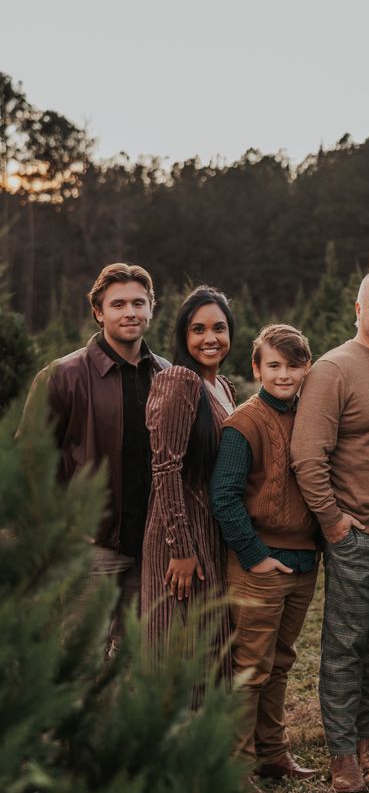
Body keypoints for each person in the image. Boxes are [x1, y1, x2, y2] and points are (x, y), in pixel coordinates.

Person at [291, 269, 369, 793]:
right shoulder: (334, 369)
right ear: (358, 309)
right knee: (345, 644)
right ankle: (342, 754)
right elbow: (307, 455)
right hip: (356, 537)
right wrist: (334, 523)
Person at [23, 262, 168, 656]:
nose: (130, 312)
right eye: (118, 304)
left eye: (139, 303)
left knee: (141, 665)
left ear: (152, 308)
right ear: (98, 311)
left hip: (151, 552)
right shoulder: (61, 377)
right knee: (80, 667)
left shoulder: (167, 376)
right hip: (89, 551)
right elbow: (31, 464)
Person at [210, 324, 319, 780]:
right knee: (251, 667)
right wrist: (254, 555)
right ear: (256, 368)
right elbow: (224, 496)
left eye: (294, 365)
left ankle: (273, 753)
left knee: (280, 661)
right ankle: (237, 768)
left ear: (307, 368)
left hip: (303, 561)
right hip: (260, 562)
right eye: (273, 365)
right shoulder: (245, 424)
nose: (284, 374)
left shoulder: (311, 416)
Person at [141, 285, 236, 685]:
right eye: (198, 330)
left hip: (213, 532)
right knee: (180, 644)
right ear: (183, 336)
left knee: (212, 641)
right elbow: (165, 468)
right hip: (181, 536)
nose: (210, 338)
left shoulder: (224, 386)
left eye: (219, 328)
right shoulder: (179, 380)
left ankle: (211, 742)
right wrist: (179, 550)